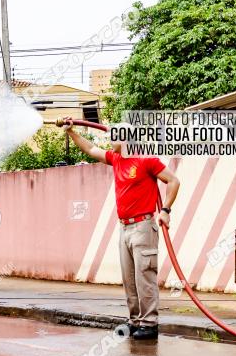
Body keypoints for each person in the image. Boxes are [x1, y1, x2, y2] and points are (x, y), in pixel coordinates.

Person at [63, 117, 180, 340]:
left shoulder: (146, 160)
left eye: (114, 136)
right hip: (124, 228)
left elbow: (173, 181)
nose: (110, 139)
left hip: (143, 226)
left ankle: (149, 323)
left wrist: (165, 210)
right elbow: (90, 148)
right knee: (129, 278)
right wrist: (71, 132)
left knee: (144, 276)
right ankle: (135, 321)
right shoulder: (116, 159)